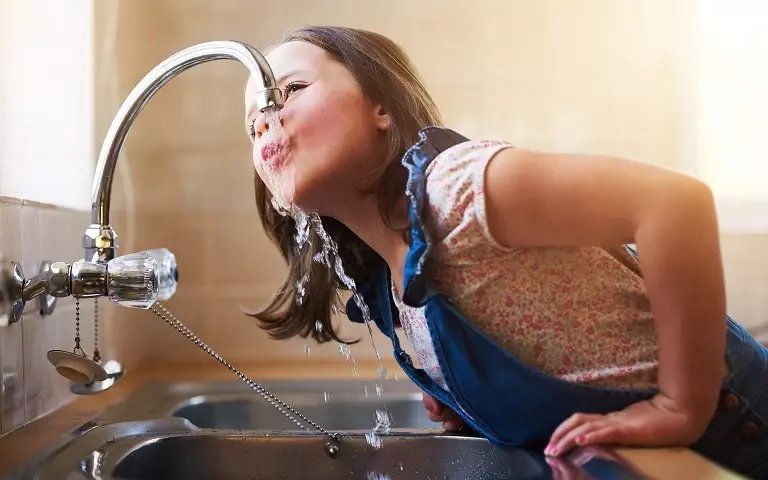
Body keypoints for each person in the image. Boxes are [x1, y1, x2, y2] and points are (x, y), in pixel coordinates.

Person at [242, 25, 768, 478]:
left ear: (380, 106)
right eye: (252, 124)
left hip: (744, 430)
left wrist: (681, 405)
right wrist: (469, 396)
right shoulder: (389, 287)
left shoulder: (457, 188)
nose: (266, 118)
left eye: (291, 89)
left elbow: (677, 204)